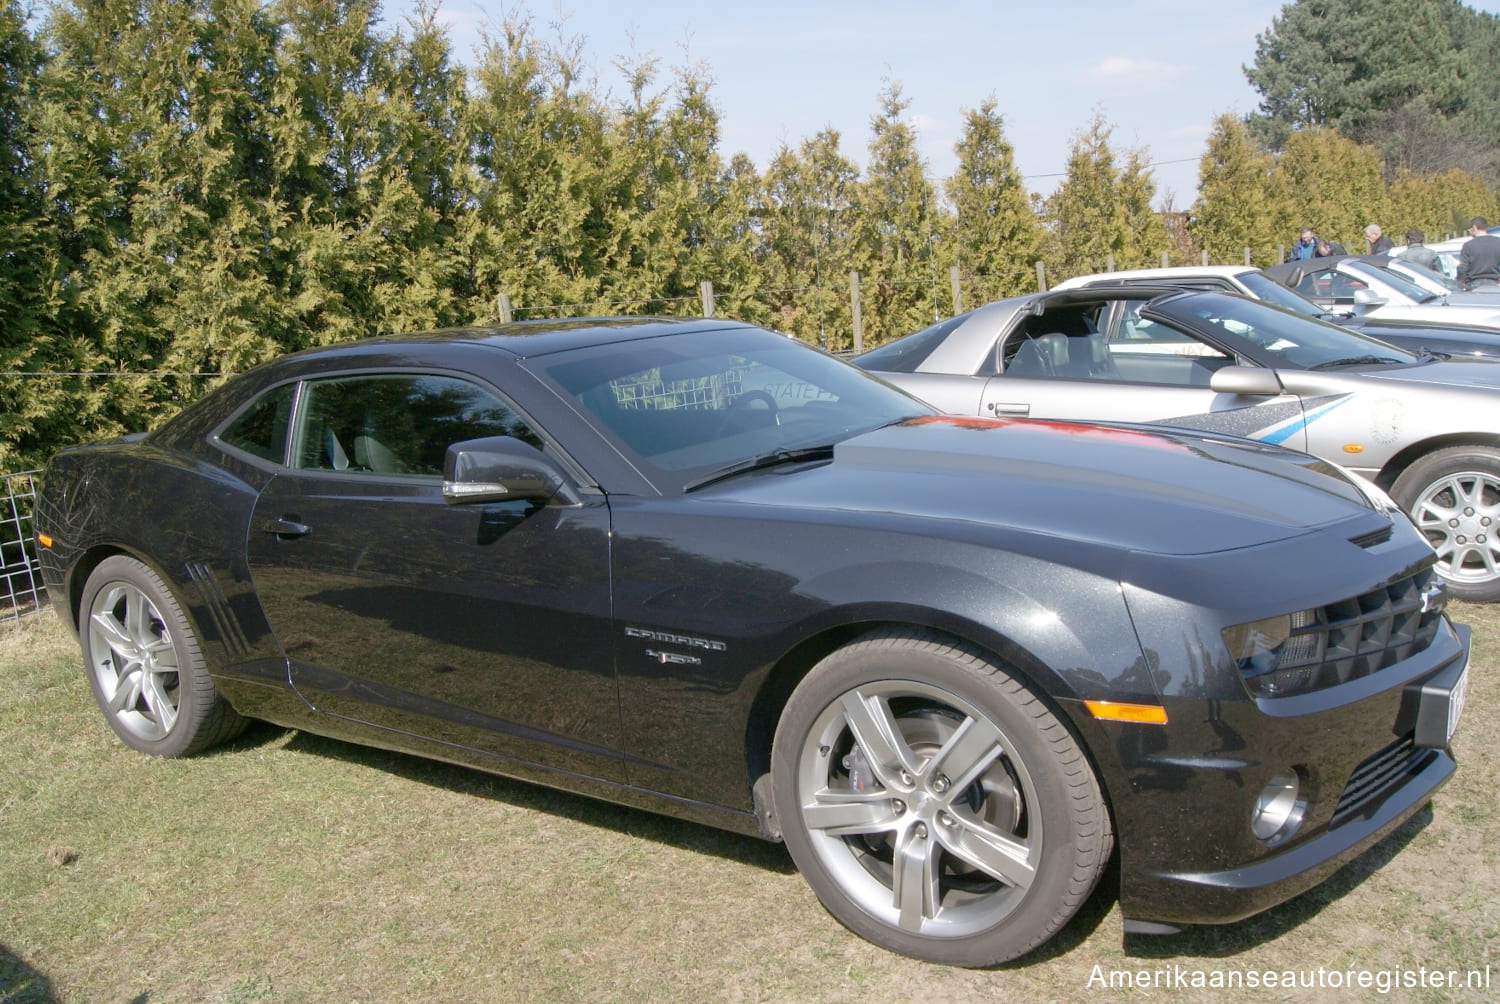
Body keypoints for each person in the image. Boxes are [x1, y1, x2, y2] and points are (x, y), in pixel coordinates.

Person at [1457, 217, 1500, 289]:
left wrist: (1460, 280)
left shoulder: (1468, 245)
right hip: (1494, 283)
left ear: (1474, 227)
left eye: (1470, 229)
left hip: (1474, 284)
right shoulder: (1498, 242)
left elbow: (1462, 267)